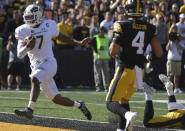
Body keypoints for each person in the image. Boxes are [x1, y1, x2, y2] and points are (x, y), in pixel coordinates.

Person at [14, 4, 92, 120]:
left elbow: (61, 37)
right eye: (28, 17)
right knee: (56, 99)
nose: (29, 20)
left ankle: (29, 109)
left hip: (49, 62)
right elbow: (20, 54)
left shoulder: (48, 24)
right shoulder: (22, 30)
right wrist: (27, 47)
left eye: (32, 17)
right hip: (36, 66)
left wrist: (78, 43)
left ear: (39, 16)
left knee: (35, 78)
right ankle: (80, 105)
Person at [105, 0, 163, 131]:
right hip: (139, 72)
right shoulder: (150, 27)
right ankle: (122, 129)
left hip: (125, 69)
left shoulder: (121, 25)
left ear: (127, 10)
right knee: (123, 100)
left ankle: (128, 114)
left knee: (110, 103)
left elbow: (113, 51)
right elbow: (159, 53)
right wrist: (148, 57)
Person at [87, 26, 110, 92]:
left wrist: (109, 55)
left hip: (105, 57)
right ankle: (98, 86)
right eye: (100, 30)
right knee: (97, 72)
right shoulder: (95, 37)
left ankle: (106, 87)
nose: (101, 32)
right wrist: (95, 50)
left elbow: (107, 47)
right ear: (99, 31)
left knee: (106, 73)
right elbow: (89, 44)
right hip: (98, 56)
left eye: (102, 30)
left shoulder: (106, 38)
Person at [166, 24, 184, 94]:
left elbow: (183, 48)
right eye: (173, 28)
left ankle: (176, 88)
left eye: (175, 28)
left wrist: (177, 42)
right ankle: (169, 88)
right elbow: (167, 49)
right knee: (170, 75)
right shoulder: (170, 39)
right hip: (171, 59)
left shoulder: (178, 38)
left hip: (178, 60)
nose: (174, 30)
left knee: (177, 75)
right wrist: (170, 41)